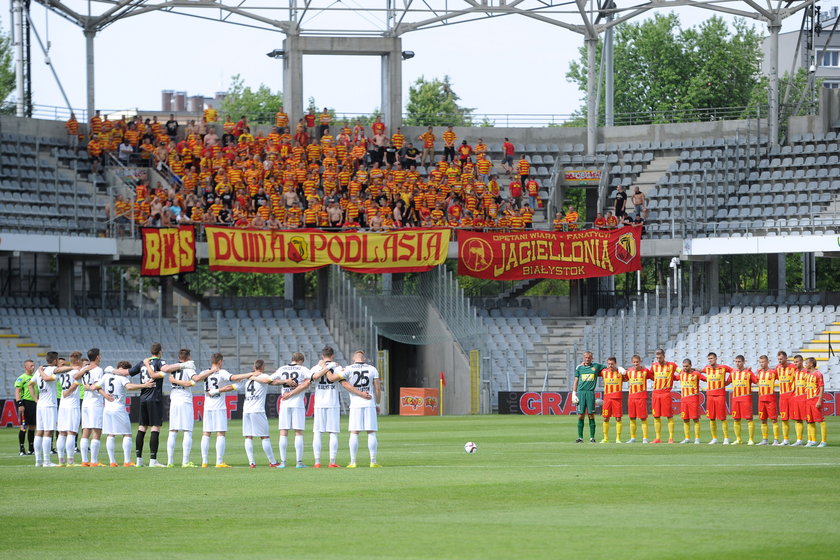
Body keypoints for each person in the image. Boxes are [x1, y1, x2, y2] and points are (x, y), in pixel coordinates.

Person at [96, 362, 153, 467]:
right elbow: (129, 387)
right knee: (127, 434)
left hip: (107, 409)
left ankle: (112, 462)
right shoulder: (122, 377)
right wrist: (145, 385)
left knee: (110, 434)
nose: (127, 374)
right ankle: (127, 461)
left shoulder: (106, 376)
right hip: (119, 408)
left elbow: (96, 386)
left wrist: (106, 396)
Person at [194, 353, 241, 468]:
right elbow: (233, 378)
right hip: (219, 407)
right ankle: (219, 462)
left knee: (206, 433)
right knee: (220, 433)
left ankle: (204, 462)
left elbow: (196, 379)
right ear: (220, 361)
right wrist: (245, 376)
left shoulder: (205, 372)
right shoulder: (222, 372)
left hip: (207, 407)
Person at [336, 350, 381, 468]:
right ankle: (373, 461)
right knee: (371, 432)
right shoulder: (372, 369)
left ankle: (353, 461)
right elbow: (377, 388)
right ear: (364, 358)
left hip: (355, 404)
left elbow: (339, 380)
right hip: (369, 402)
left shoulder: (349, 369)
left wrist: (337, 368)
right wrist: (378, 402)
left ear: (353, 358)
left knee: (354, 432)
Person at [272, 352, 312, 468]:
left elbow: (270, 380)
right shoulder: (303, 369)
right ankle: (299, 462)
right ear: (301, 361)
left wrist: (284, 381)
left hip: (284, 403)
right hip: (297, 403)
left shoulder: (282, 369)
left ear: (292, 359)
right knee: (298, 432)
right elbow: (310, 380)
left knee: (283, 432)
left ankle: (283, 462)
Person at [159, 349, 198, 467]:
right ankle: (185, 461)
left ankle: (170, 461)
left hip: (174, 400)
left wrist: (175, 380)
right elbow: (192, 381)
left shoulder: (173, 368)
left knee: (173, 431)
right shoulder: (189, 368)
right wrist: (191, 382)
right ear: (188, 357)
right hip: (185, 400)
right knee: (187, 431)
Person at [131, 343, 167, 467]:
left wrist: (113, 371)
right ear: (160, 351)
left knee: (142, 427)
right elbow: (165, 370)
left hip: (143, 399)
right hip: (155, 398)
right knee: (155, 427)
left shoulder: (142, 363)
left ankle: (139, 460)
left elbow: (128, 372)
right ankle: (153, 460)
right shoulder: (159, 362)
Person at [240, 360, 280, 468]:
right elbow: (269, 380)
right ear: (263, 367)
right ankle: (272, 461)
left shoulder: (248, 379)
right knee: (264, 437)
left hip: (246, 410)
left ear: (254, 366)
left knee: (248, 437)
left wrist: (252, 377)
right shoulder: (263, 376)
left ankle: (251, 462)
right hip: (257, 410)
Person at [309, 346, 344, 468]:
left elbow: (314, 377)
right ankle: (332, 461)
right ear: (333, 355)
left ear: (322, 356)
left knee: (317, 432)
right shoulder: (337, 367)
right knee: (333, 432)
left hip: (319, 404)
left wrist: (324, 366)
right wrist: (329, 366)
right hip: (333, 403)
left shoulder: (315, 367)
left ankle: (317, 462)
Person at [28, 352, 60, 467]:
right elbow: (47, 379)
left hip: (40, 404)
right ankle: (46, 461)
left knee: (39, 431)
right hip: (49, 405)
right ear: (55, 360)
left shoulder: (38, 371)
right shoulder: (53, 370)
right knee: (48, 431)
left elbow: (30, 385)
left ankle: (38, 461)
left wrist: (36, 399)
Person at [55, 351, 85, 466]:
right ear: (78, 360)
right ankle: (70, 461)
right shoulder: (78, 371)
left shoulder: (64, 370)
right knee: (71, 433)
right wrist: (68, 391)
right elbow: (76, 383)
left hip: (62, 405)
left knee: (62, 433)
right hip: (72, 405)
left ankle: (60, 461)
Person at [79, 348, 106, 466]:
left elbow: (77, 377)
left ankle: (84, 461)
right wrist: (106, 396)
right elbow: (96, 386)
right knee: (96, 430)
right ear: (97, 357)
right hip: (95, 402)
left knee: (86, 430)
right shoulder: (98, 370)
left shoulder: (84, 369)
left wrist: (87, 387)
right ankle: (94, 461)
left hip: (85, 402)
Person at [572, 351, 605, 443]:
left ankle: (592, 437)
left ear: (592, 358)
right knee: (580, 415)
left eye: (589, 357)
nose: (587, 359)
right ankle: (580, 437)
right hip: (581, 393)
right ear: (584, 358)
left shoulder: (596, 366)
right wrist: (574, 393)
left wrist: (618, 368)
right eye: (586, 357)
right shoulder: (579, 368)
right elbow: (576, 381)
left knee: (591, 415)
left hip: (590, 393)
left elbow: (608, 368)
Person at [703, 352, 732, 445]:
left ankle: (726, 438)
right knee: (711, 418)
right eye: (709, 359)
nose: (710, 360)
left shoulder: (723, 368)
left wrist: (728, 382)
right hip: (710, 396)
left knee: (722, 418)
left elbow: (733, 371)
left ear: (716, 358)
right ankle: (714, 438)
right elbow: (699, 371)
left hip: (720, 395)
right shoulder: (707, 368)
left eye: (711, 358)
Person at [650, 349, 678, 444]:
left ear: (664, 356)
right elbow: (651, 375)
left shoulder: (672, 365)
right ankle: (657, 438)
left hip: (666, 393)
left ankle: (671, 438)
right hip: (655, 393)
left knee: (669, 416)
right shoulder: (654, 366)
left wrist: (674, 378)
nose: (658, 359)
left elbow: (681, 372)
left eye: (660, 357)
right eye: (657, 358)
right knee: (656, 416)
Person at [729, 355, 757, 445]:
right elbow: (726, 381)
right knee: (736, 419)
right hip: (735, 398)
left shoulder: (749, 372)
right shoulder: (733, 372)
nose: (737, 363)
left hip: (746, 398)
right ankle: (738, 439)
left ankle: (751, 439)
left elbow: (756, 381)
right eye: (736, 361)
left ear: (744, 362)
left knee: (749, 419)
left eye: (739, 361)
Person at [676, 359, 705, 444]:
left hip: (693, 399)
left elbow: (706, 379)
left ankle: (697, 439)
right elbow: (674, 378)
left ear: (691, 365)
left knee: (695, 419)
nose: (685, 368)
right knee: (685, 419)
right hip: (684, 400)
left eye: (687, 366)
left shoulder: (696, 374)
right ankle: (687, 438)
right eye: (684, 366)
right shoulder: (681, 374)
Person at [625, 355, 653, 443]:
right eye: (634, 362)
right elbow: (623, 379)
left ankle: (645, 438)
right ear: (632, 362)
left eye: (637, 362)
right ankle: (632, 438)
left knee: (643, 418)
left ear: (640, 361)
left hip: (641, 397)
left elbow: (653, 377)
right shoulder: (629, 371)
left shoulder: (645, 371)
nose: (636, 363)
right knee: (632, 418)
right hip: (631, 397)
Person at [599, 357, 626, 443]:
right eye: (609, 364)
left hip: (617, 398)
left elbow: (629, 374)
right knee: (605, 418)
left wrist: (621, 368)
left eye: (612, 364)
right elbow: (594, 369)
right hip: (607, 399)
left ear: (615, 363)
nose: (610, 365)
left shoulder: (620, 372)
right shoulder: (604, 372)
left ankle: (618, 438)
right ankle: (605, 438)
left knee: (618, 418)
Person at [754, 355, 780, 446]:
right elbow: (757, 381)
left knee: (774, 420)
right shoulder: (759, 372)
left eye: (763, 362)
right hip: (761, 399)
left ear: (768, 362)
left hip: (770, 399)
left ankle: (776, 440)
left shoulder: (773, 372)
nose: (762, 364)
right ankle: (765, 439)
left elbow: (780, 378)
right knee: (763, 420)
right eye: (760, 362)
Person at [803, 357, 827, 447]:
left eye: (806, 363)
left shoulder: (818, 374)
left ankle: (824, 441)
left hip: (815, 399)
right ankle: (813, 441)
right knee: (810, 421)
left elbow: (821, 387)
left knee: (821, 420)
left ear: (811, 364)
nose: (805, 365)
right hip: (808, 400)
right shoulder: (807, 374)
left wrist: (819, 400)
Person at [14, 360, 36, 456]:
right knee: (24, 426)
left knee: (32, 426)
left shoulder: (35, 377)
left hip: (34, 403)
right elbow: (17, 391)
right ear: (25, 367)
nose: (33, 367)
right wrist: (20, 404)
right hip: (25, 403)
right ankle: (22, 448)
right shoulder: (21, 378)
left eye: (34, 366)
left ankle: (31, 448)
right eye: (31, 366)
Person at [776, 351, 798, 445]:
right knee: (784, 418)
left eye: (781, 359)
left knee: (797, 418)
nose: (780, 361)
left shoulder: (793, 367)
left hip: (792, 395)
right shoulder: (778, 368)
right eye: (779, 359)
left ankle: (799, 440)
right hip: (783, 396)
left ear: (786, 358)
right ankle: (786, 440)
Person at [790, 354, 808, 446]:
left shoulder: (806, 372)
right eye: (794, 362)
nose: (795, 363)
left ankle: (811, 440)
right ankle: (799, 440)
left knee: (808, 420)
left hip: (805, 398)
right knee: (798, 420)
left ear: (801, 362)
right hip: (796, 398)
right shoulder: (795, 372)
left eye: (797, 362)